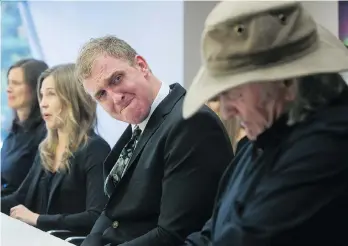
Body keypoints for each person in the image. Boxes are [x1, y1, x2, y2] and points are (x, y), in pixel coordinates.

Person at [182, 1, 348, 245]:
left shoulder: (330, 144)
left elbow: (247, 239)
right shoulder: (256, 142)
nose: (226, 112)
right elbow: (212, 232)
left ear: (288, 83)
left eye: (234, 92)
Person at [75, 35, 234, 246]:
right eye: (102, 94)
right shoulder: (139, 127)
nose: (115, 97)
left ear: (142, 66)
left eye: (116, 79)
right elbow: (112, 211)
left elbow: (174, 234)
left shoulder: (190, 122)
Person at [1, 64, 110, 235]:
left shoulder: (95, 149)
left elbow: (96, 217)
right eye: (42, 95)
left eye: (51, 94)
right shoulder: (46, 149)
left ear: (73, 98)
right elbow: (19, 197)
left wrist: (37, 219)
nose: (43, 103)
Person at [1, 59, 48, 196]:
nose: (8, 88)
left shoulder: (45, 135)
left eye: (16, 83)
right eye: (9, 83)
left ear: (35, 88)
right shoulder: (14, 132)